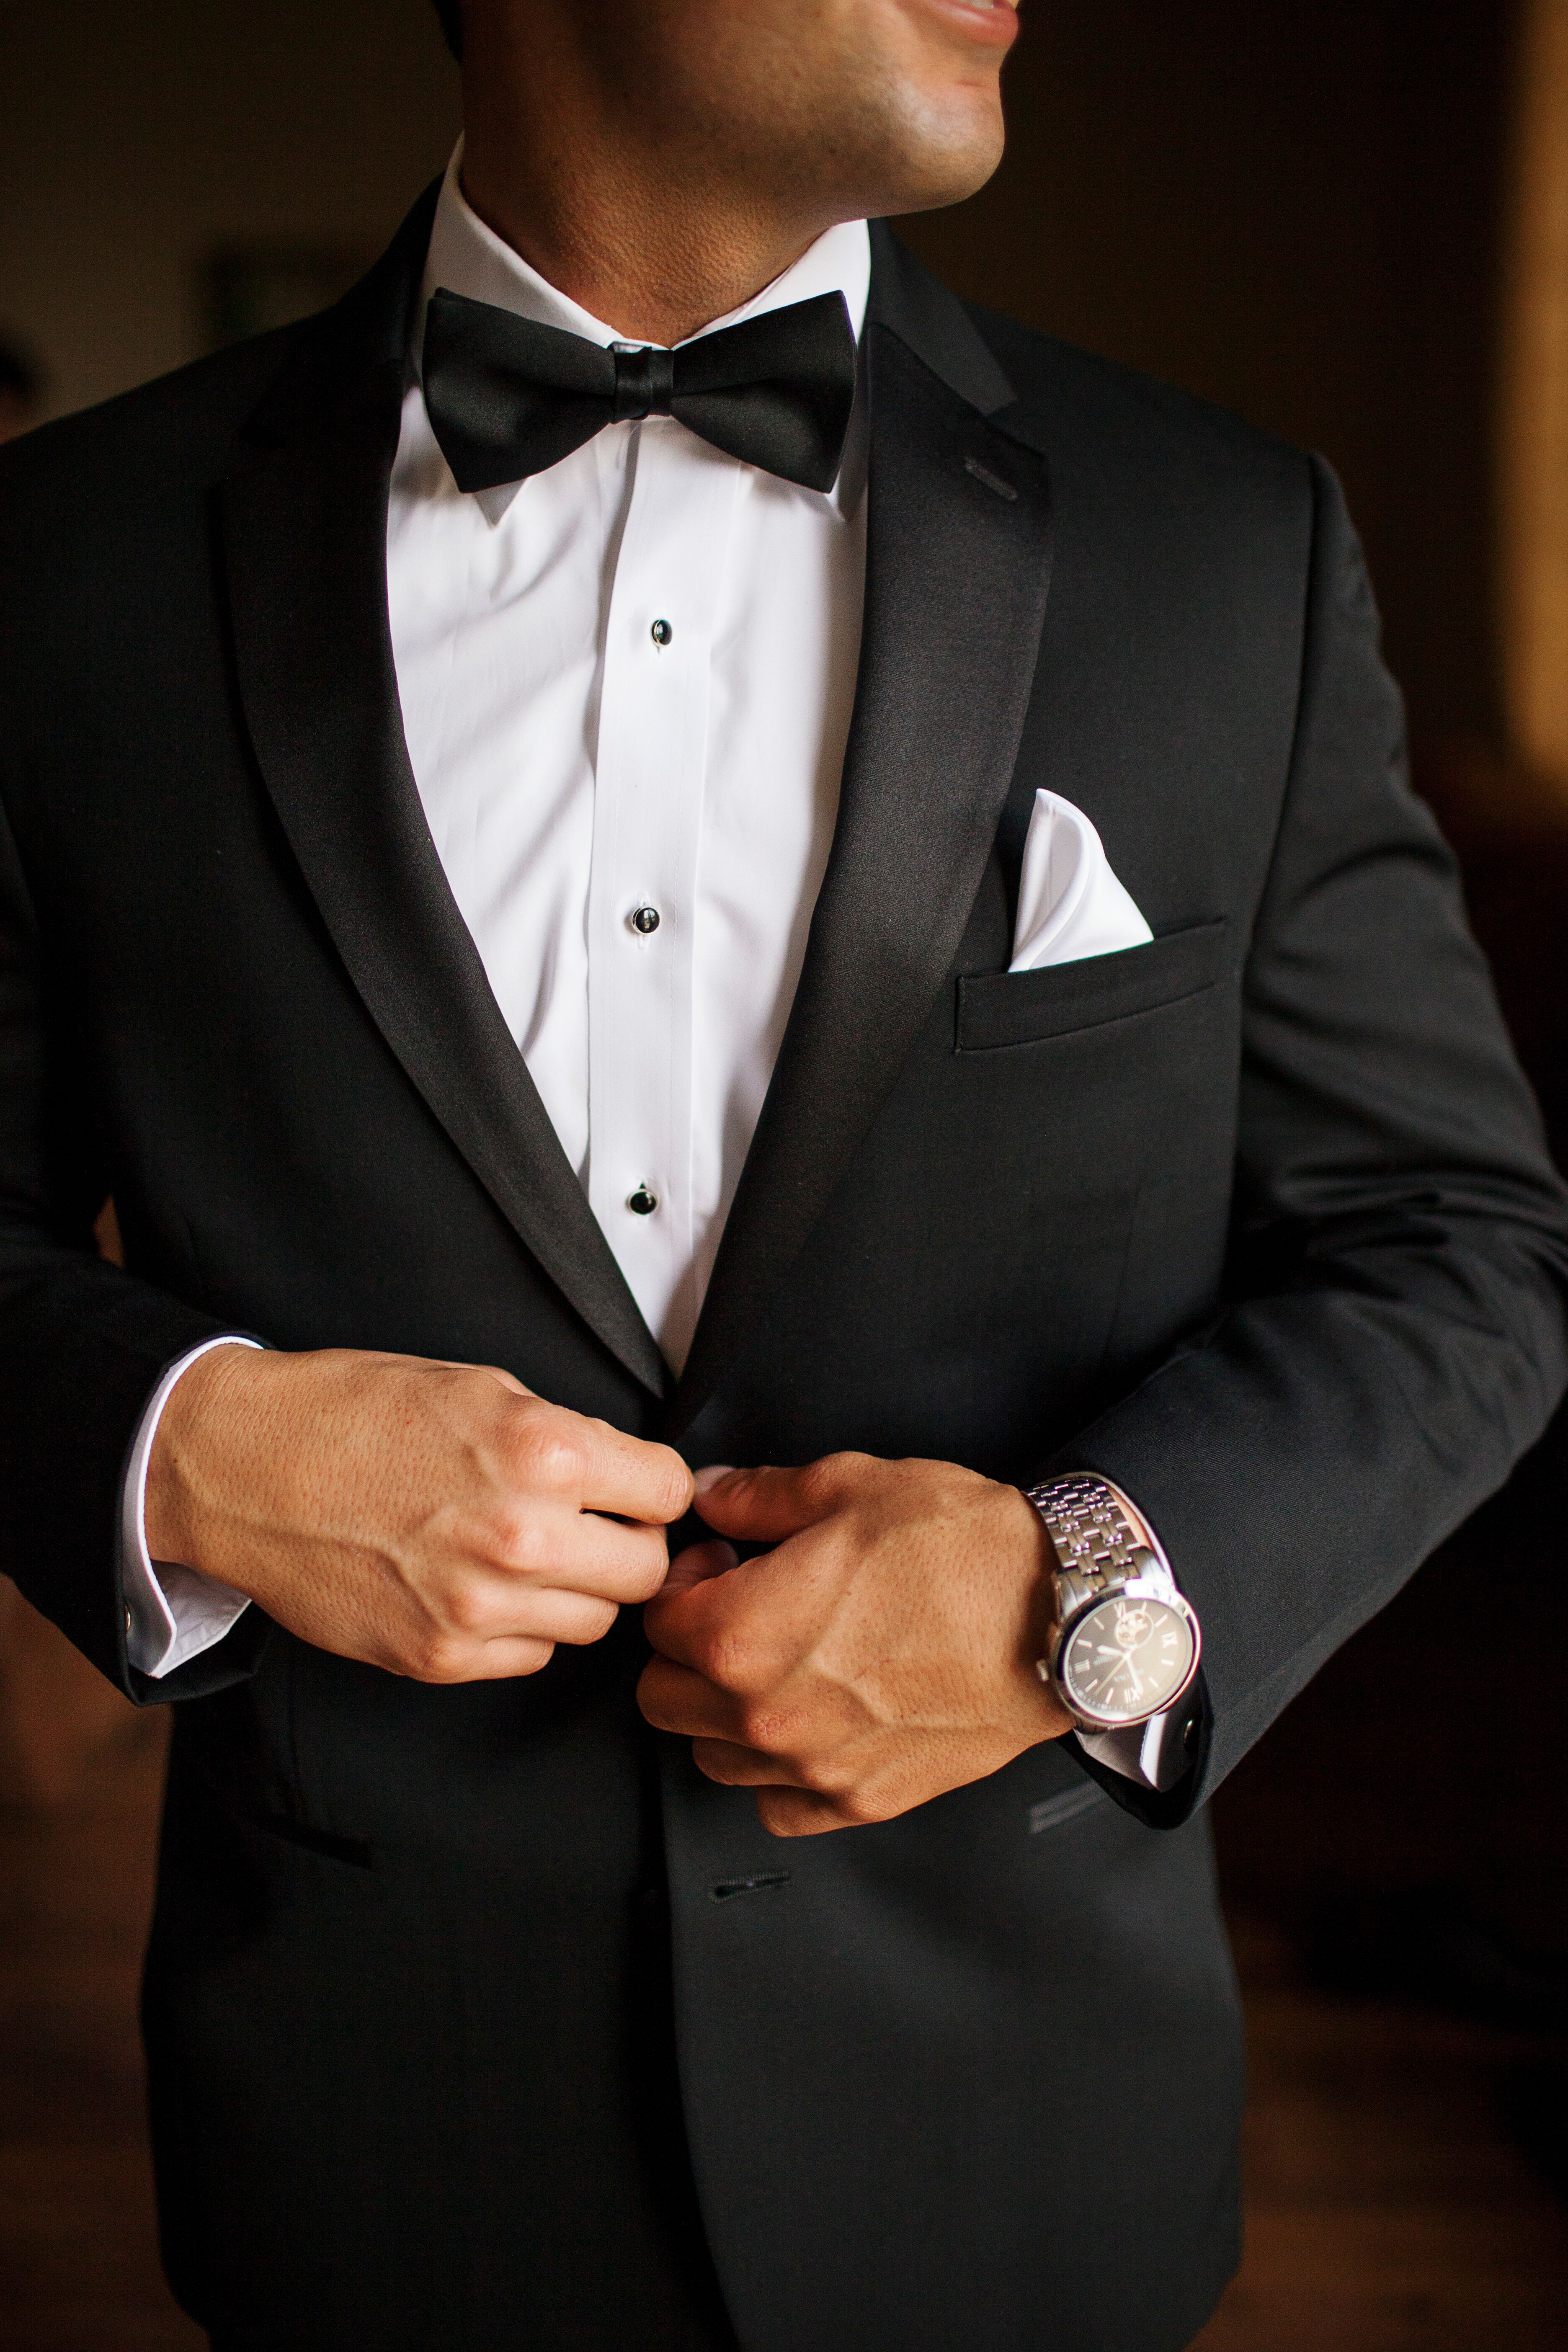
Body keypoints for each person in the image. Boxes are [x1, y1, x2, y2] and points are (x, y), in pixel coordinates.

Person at [1, 3, 1564, 2346]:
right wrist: (189, 1447)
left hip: (1025, 2165)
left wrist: (1081, 1583)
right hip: (366, 2158)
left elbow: (1465, 1254)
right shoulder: (59, 572)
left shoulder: (1227, 546)